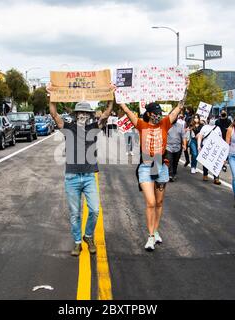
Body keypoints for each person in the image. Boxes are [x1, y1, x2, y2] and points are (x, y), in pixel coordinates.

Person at [47, 84, 115, 257]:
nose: (83, 115)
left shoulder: (93, 128)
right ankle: (78, 242)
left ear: (90, 115)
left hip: (89, 177)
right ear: (76, 115)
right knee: (75, 213)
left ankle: (88, 236)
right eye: (80, 113)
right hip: (72, 177)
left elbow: (106, 113)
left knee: (94, 210)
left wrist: (110, 94)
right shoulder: (68, 128)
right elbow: (54, 114)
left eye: (86, 113)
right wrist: (51, 95)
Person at [119, 95, 187, 252]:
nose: (159, 115)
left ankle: (156, 231)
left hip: (161, 166)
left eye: (160, 112)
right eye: (155, 112)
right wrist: (119, 97)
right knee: (150, 202)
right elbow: (127, 110)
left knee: (159, 202)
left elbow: (179, 107)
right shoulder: (141, 125)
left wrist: (185, 89)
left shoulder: (165, 124)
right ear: (149, 113)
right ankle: (150, 237)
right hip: (145, 167)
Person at [196, 121, 223, 185]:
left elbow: (221, 138)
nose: (212, 120)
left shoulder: (218, 128)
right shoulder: (204, 127)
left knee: (215, 163)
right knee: (205, 162)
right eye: (211, 119)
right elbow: (200, 136)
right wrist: (199, 145)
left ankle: (216, 177)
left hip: (215, 148)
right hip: (206, 147)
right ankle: (205, 174)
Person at [166, 115, 185, 182]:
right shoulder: (166, 125)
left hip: (178, 147)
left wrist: (184, 145)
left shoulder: (180, 126)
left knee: (175, 162)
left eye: (176, 117)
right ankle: (170, 175)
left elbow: (183, 136)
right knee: (169, 161)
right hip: (168, 147)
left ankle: (174, 173)